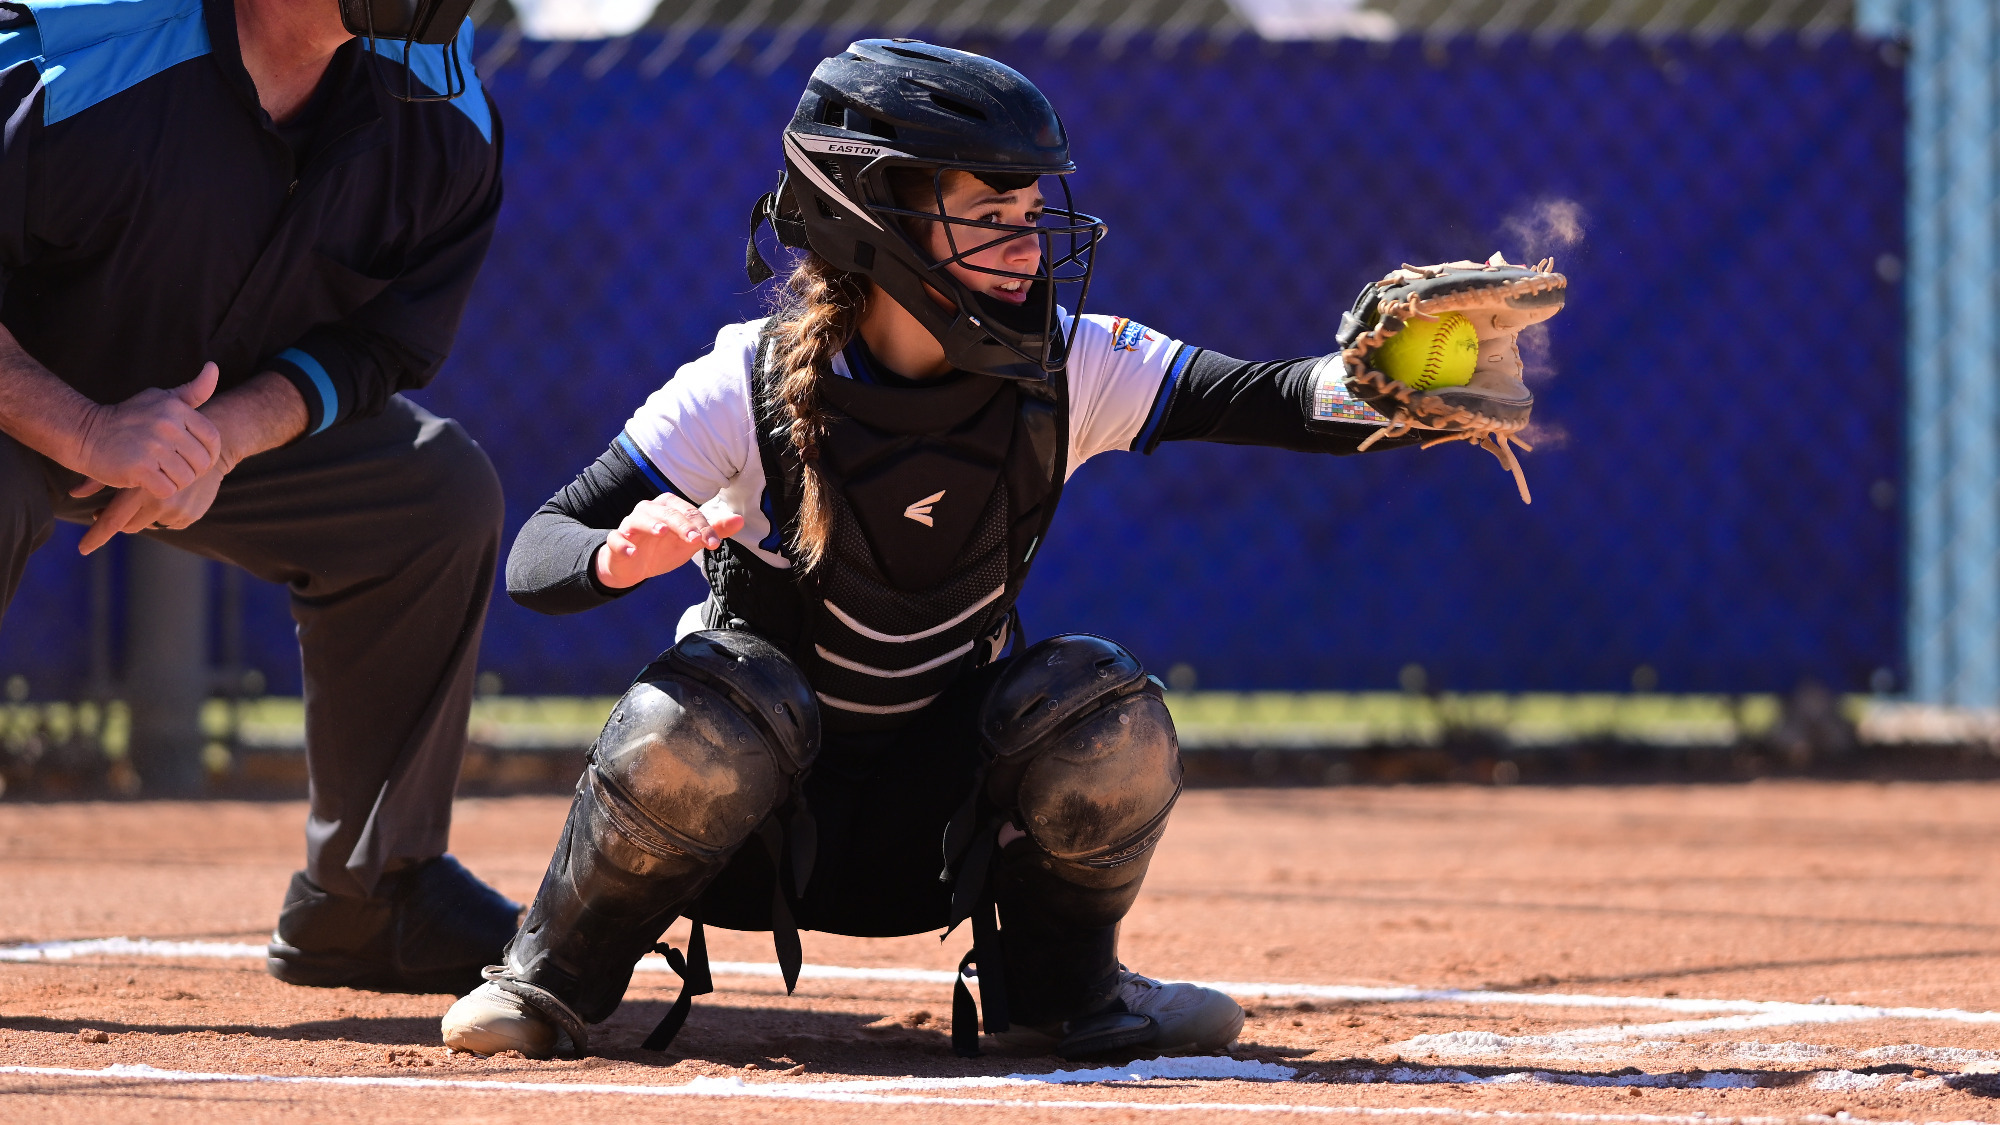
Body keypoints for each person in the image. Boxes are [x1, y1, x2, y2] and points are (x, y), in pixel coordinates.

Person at [442, 38, 1529, 1059]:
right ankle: (551, 978)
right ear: (871, 221)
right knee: (713, 694)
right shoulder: (745, 382)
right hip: (750, 833)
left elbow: (1275, 398)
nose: (1025, 246)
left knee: (1097, 708)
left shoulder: (1069, 364)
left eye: (1030, 213)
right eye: (987, 217)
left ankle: (1064, 991)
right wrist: (616, 556)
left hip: (937, 835)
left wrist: (1385, 382)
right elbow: (540, 549)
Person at [0, 0, 520, 992]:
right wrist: (87, 431)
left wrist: (225, 436)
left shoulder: (441, 107)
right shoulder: (69, 62)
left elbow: (381, 343)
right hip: (18, 408)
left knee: (432, 496)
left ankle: (368, 897)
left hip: (198, 429)